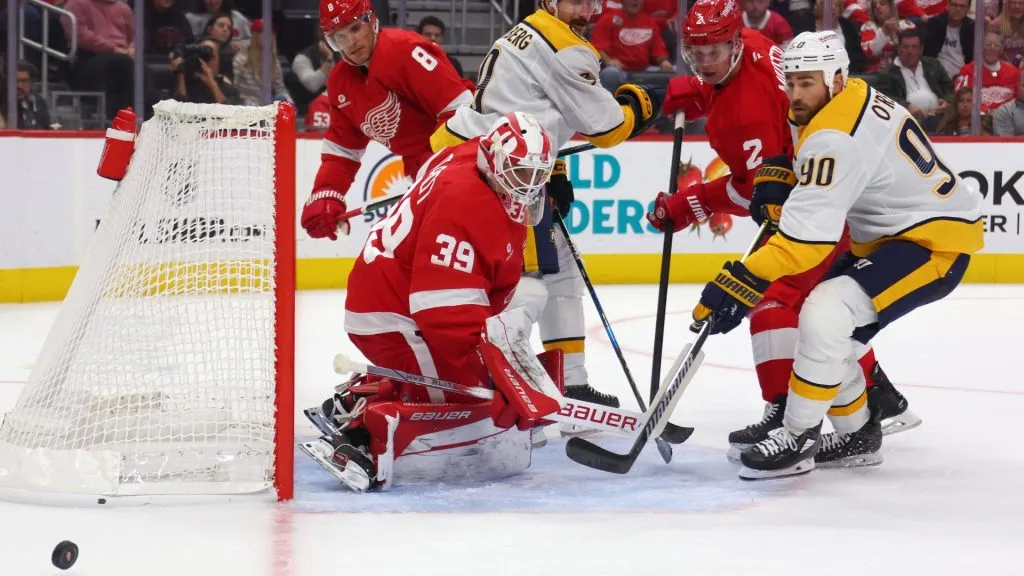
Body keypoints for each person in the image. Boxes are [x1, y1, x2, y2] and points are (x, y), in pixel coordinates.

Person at [692, 30, 982, 480]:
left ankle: (798, 435)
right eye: (790, 82)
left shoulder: (837, 136)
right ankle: (857, 435)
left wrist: (742, 280)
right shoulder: (845, 96)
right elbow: (797, 151)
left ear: (836, 78)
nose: (796, 94)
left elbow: (806, 243)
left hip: (933, 243)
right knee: (831, 332)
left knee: (826, 313)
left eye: (807, 82)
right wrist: (778, 175)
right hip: (893, 234)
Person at [646, 0, 918, 461]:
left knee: (773, 302)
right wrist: (683, 90)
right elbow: (723, 88)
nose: (706, 62)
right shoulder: (751, 47)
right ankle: (880, 395)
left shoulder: (746, 117)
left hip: (816, 206)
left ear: (734, 40)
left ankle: (790, 414)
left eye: (714, 51)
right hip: (833, 197)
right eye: (696, 53)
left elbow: (753, 191)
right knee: (819, 308)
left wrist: (689, 204)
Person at [300, 112, 558, 492]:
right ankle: (359, 438)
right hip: (395, 314)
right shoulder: (464, 202)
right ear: (494, 158)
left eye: (538, 175)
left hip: (394, 296)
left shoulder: (473, 158)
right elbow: (441, 314)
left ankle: (356, 395)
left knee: (483, 371)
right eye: (521, 172)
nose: (529, 185)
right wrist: (496, 375)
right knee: (470, 401)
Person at [429, 0, 659, 410]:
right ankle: (500, 381)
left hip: (482, 162)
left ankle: (569, 382)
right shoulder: (565, 46)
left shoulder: (523, 33)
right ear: (548, 3)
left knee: (561, 274)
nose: (584, 10)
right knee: (525, 283)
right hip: (501, 179)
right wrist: (637, 105)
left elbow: (524, 110)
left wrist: (550, 172)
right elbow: (606, 129)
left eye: (591, 1)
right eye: (574, 1)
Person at [300, 0, 472, 241]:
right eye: (339, 37)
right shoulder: (340, 82)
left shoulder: (404, 50)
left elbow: (461, 109)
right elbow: (342, 150)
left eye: (355, 29)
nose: (350, 43)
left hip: (465, 164)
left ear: (371, 20)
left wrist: (434, 163)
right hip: (423, 172)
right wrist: (326, 193)